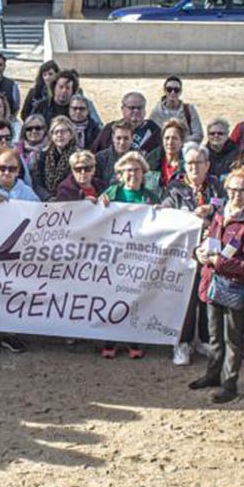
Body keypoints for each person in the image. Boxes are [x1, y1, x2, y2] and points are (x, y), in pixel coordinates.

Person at [190, 169, 244, 403]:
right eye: (232, 189)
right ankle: (213, 374)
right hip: (212, 283)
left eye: (243, 190)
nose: (237, 195)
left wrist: (217, 261)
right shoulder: (221, 214)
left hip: (235, 288)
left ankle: (229, 384)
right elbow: (209, 241)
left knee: (233, 338)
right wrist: (200, 253)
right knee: (214, 336)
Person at [162, 142, 224, 366]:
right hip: (184, 252)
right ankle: (182, 342)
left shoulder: (217, 186)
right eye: (189, 163)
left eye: (198, 162)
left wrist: (213, 214)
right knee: (185, 299)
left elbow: (227, 209)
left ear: (207, 165)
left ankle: (205, 340)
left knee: (207, 295)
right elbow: (166, 214)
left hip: (212, 251)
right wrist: (191, 218)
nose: (194, 167)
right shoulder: (175, 188)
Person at [94, 152, 160, 360]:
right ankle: (110, 341)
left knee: (134, 297)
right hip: (114, 254)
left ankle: (133, 340)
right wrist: (99, 204)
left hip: (139, 256)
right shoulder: (113, 192)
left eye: (136, 170)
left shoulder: (150, 196)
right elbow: (94, 215)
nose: (132, 174)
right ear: (120, 174)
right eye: (127, 171)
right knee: (112, 296)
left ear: (144, 173)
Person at [31, 117, 79, 201]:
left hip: (70, 201)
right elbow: (37, 183)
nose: (59, 135)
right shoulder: (43, 155)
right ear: (51, 136)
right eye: (56, 132)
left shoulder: (78, 156)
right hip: (46, 202)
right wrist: (48, 197)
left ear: (71, 134)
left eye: (63, 131)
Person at [147, 76, 203, 142]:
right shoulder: (156, 112)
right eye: (169, 89)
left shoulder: (189, 110)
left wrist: (179, 141)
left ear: (180, 92)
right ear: (164, 91)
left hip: (185, 147)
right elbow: (149, 135)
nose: (172, 93)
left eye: (176, 90)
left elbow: (198, 135)